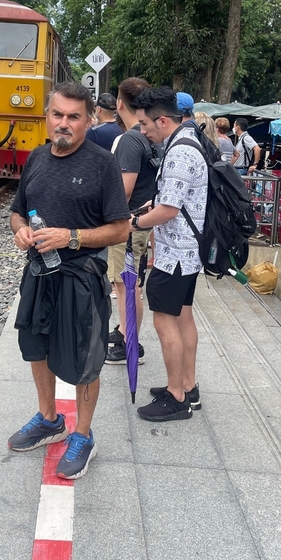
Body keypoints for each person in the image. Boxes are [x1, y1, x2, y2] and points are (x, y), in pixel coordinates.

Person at [8, 81, 130, 478]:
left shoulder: (101, 163)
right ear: (47, 117)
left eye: (73, 117)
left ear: (89, 120)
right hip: (40, 271)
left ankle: (82, 434)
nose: (64, 123)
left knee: (84, 356)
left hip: (82, 275)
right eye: (57, 114)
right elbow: (17, 211)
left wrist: (71, 236)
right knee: (35, 345)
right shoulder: (37, 157)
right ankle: (49, 420)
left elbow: (120, 229)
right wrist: (20, 230)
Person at [131, 86, 208, 422]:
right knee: (183, 316)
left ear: (163, 120)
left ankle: (176, 397)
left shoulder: (179, 153)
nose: (143, 131)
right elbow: (174, 199)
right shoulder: (189, 141)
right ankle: (187, 387)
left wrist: (135, 222)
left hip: (175, 255)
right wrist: (154, 206)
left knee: (164, 321)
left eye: (146, 125)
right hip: (189, 252)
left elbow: (168, 211)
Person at [105, 77, 157, 366]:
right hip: (142, 221)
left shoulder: (128, 140)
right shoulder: (145, 135)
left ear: (119, 103)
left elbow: (123, 191)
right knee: (130, 283)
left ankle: (128, 342)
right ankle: (127, 333)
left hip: (128, 224)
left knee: (125, 284)